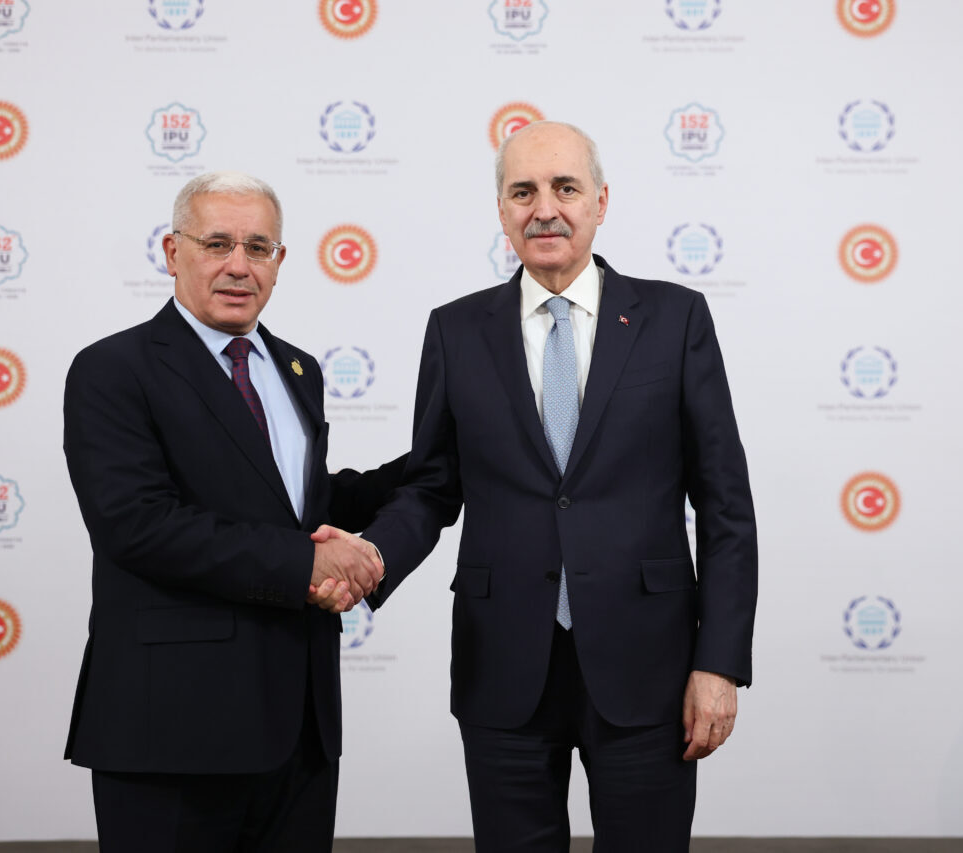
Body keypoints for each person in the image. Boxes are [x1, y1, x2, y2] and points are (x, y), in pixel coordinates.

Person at [336, 121, 759, 850]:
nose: (545, 209)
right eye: (523, 191)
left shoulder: (675, 318)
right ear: (502, 210)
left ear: (600, 201)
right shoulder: (455, 330)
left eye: (565, 188)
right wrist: (372, 556)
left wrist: (718, 662)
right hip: (503, 663)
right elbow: (432, 486)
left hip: (648, 666)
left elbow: (726, 505)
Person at [62, 171, 403, 852]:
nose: (239, 265)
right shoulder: (113, 369)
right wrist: (308, 562)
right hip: (171, 731)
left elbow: (295, 505)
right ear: (172, 252)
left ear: (280, 260)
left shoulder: (298, 368)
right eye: (217, 243)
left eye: (258, 247)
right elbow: (138, 525)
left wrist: (435, 461)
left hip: (299, 729)